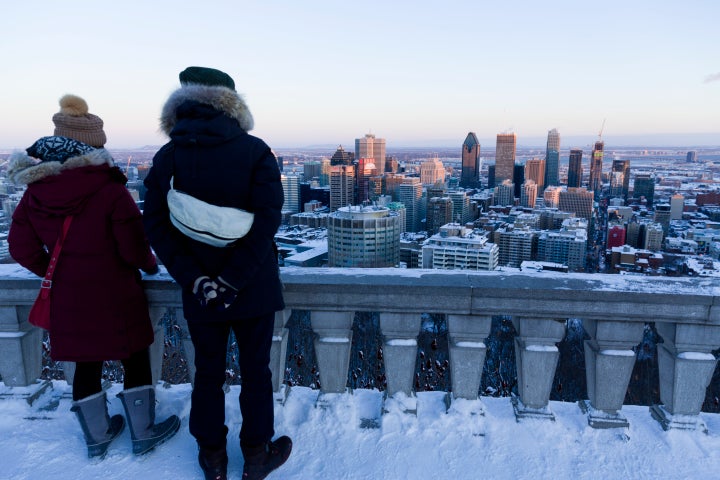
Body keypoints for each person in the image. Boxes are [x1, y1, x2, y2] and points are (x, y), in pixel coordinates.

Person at [8, 94, 180, 459]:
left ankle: (98, 437)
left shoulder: (33, 193)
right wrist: (149, 266)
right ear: (93, 146)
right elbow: (133, 247)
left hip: (68, 296)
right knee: (134, 355)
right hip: (115, 291)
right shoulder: (111, 190)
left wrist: (59, 272)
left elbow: (21, 247)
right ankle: (143, 431)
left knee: (85, 360)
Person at [142, 67, 291, 480]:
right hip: (253, 288)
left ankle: (213, 458)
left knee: (206, 373)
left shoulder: (167, 158)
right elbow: (266, 222)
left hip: (200, 291)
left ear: (183, 104)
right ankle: (257, 455)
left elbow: (154, 224)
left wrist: (198, 280)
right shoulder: (256, 151)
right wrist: (234, 280)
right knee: (255, 372)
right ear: (231, 103)